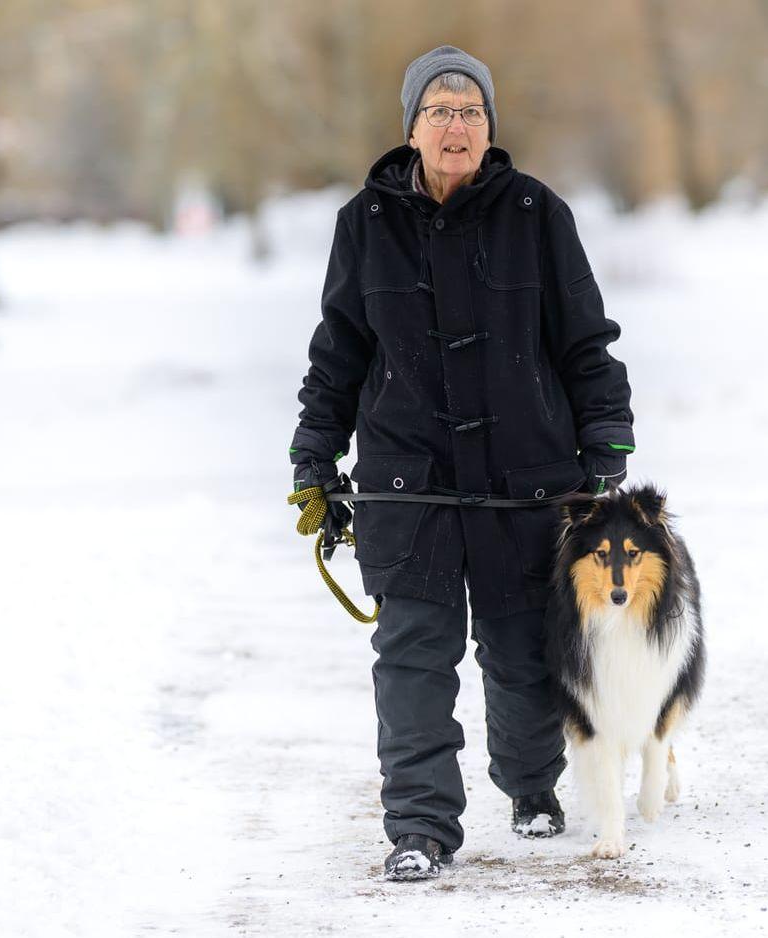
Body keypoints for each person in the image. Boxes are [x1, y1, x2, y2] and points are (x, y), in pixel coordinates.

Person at [288, 44, 635, 881]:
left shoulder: (535, 214)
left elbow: (585, 341)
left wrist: (607, 444)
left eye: (471, 112)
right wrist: (314, 458)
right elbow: (337, 355)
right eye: (440, 112)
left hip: (527, 484)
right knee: (412, 658)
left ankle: (530, 787)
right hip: (407, 483)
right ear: (411, 129)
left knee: (521, 657)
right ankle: (419, 827)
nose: (456, 126)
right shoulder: (363, 226)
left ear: (490, 128)